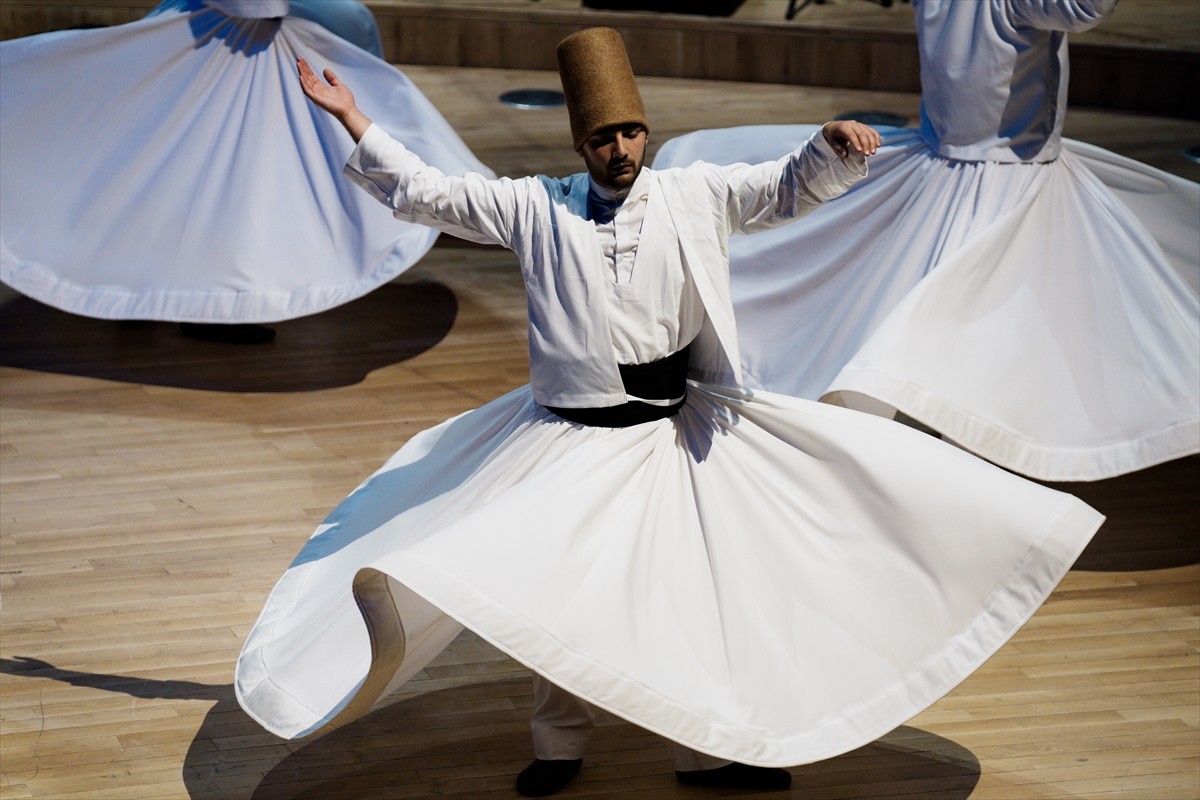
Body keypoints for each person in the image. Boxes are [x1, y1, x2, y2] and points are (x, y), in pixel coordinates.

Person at [235, 27, 1103, 798]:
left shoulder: (694, 196)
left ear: (644, 132)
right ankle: (558, 745)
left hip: (670, 435)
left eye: (630, 133)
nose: (619, 149)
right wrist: (353, 118)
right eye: (602, 138)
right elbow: (430, 192)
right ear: (580, 143)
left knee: (688, 600)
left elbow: (782, 187)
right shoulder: (538, 207)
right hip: (569, 441)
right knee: (553, 596)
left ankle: (706, 754)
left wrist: (830, 147)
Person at [651, 0, 1199, 482]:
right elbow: (1084, 9)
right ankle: (960, 442)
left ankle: (928, 436)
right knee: (982, 317)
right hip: (1011, 178)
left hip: (945, 162)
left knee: (918, 307)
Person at [0, 0, 491, 341]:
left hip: (243, 29)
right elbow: (256, 7)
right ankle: (164, 291)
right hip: (226, 31)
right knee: (184, 161)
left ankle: (171, 292)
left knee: (203, 169)